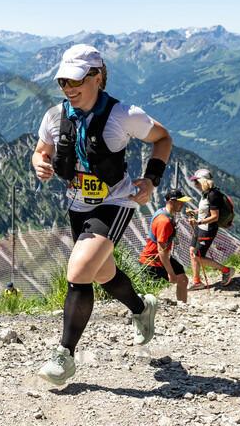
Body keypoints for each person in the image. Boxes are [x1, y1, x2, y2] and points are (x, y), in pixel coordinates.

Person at [31, 43, 173, 385]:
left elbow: (163, 138)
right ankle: (142, 309)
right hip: (77, 204)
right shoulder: (54, 116)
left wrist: (151, 179)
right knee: (101, 273)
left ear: (97, 77)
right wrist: (39, 163)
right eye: (62, 82)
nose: (67, 88)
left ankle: (63, 358)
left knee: (79, 270)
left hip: (116, 202)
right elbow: (41, 150)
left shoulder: (125, 115)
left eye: (75, 80)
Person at [138, 189, 191, 303]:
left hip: (161, 258)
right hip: (151, 262)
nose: (183, 204)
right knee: (149, 297)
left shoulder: (166, 213)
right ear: (171, 202)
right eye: (180, 202)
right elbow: (161, 250)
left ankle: (182, 307)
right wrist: (171, 274)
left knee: (182, 279)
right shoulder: (164, 221)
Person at [186, 169, 235, 290]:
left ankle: (227, 270)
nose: (195, 184)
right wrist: (195, 212)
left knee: (198, 256)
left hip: (207, 229)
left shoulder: (213, 195)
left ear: (203, 181)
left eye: (197, 182)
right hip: (199, 227)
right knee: (192, 252)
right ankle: (196, 282)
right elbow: (206, 210)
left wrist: (198, 222)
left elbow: (215, 216)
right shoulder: (206, 193)